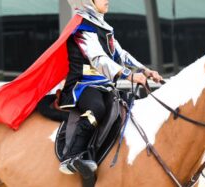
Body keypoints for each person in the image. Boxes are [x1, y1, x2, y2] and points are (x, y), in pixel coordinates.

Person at [58, 0, 163, 176]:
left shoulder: (103, 26)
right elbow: (99, 59)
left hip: (104, 85)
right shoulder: (83, 28)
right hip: (83, 85)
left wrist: (145, 69)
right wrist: (129, 75)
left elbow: (121, 54)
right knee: (97, 108)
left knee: (126, 107)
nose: (107, 0)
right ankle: (71, 157)